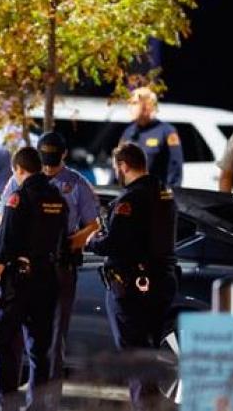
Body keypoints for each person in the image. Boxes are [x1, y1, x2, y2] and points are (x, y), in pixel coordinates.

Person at [0, 132, 100, 408]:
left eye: (53, 159)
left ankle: (43, 402)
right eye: (45, 159)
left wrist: (71, 243)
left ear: (64, 155)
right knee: (13, 340)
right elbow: (2, 217)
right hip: (22, 267)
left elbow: (94, 223)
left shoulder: (76, 184)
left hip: (58, 267)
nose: (49, 165)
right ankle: (4, 399)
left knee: (50, 342)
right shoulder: (19, 181)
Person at [86, 142, 178, 411]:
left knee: (134, 356)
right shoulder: (165, 193)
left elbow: (115, 243)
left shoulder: (129, 201)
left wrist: (93, 241)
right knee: (148, 352)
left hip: (132, 287)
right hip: (161, 282)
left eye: (118, 168)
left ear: (123, 166)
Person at [0, 146, 68, 411]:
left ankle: (4, 405)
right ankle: (37, 406)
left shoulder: (17, 199)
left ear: (19, 170)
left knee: (1, 343)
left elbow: (3, 246)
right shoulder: (57, 198)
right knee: (39, 350)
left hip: (18, 283)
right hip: (48, 280)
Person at [119, 87, 184, 189]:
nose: (129, 107)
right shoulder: (128, 132)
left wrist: (166, 200)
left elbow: (175, 173)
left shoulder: (167, 132)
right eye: (129, 103)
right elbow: (118, 167)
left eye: (134, 103)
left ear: (147, 106)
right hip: (130, 196)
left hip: (155, 197)